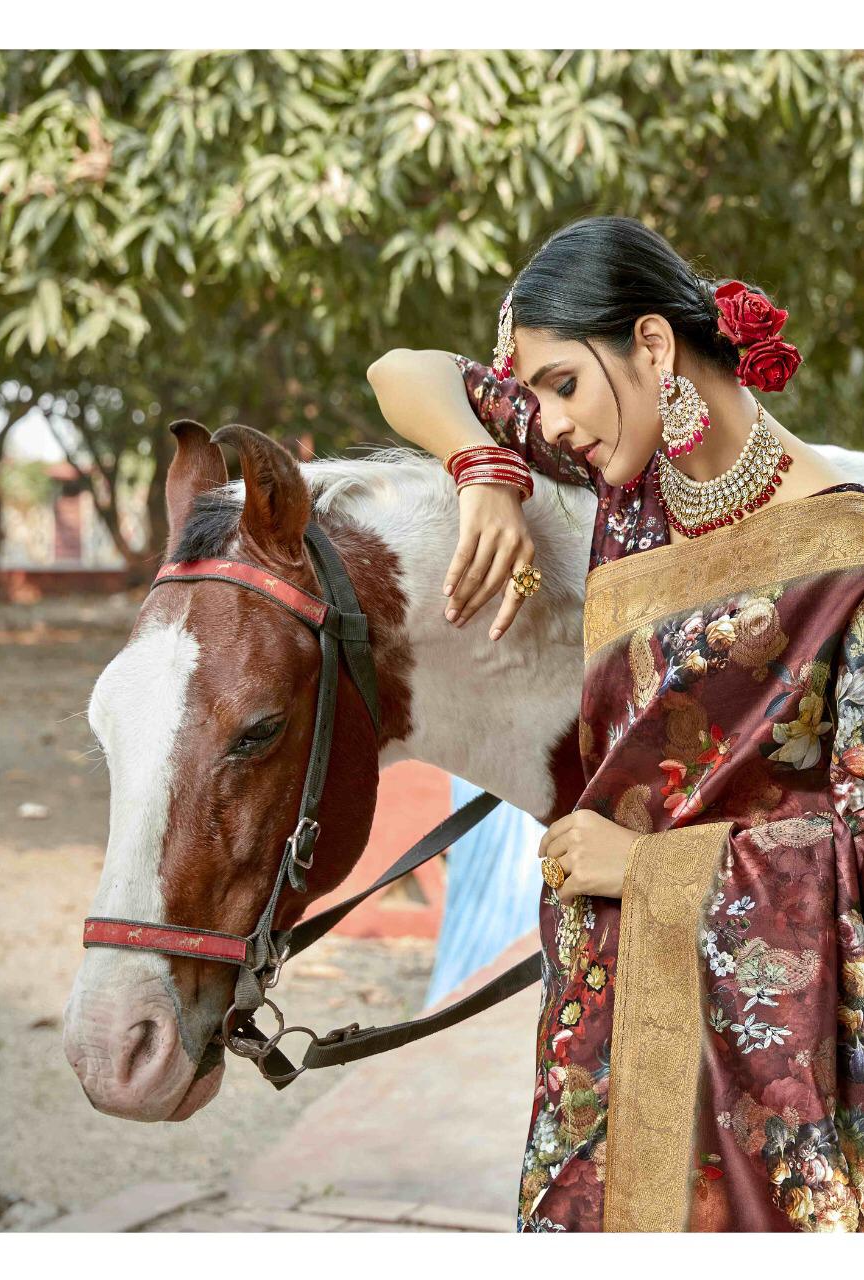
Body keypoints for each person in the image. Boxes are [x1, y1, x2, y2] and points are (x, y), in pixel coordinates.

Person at [366, 215, 864, 1233]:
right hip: (598, 1015)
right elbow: (402, 371)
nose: (548, 422)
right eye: (534, 393)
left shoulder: (844, 556)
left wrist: (645, 868)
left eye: (561, 383)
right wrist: (483, 470)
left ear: (650, 344)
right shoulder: (626, 481)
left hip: (757, 1062)